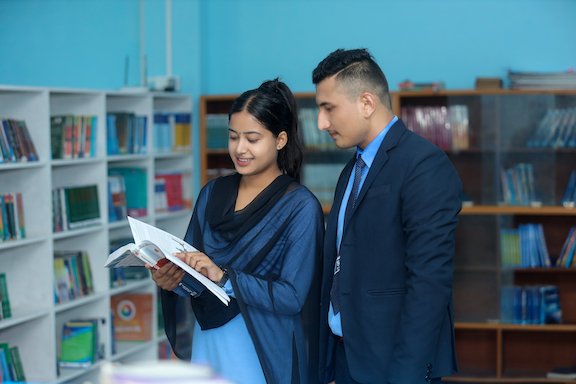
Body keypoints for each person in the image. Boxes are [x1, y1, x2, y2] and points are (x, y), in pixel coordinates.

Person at [149, 78, 324, 384]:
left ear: (280, 140)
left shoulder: (300, 206)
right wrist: (171, 279)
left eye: (252, 139)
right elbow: (192, 268)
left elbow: (293, 296)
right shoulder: (212, 193)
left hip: (261, 344)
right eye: (233, 137)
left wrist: (226, 278)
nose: (240, 149)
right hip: (208, 337)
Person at [312, 48, 462, 384]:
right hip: (345, 360)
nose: (321, 123)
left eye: (328, 108)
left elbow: (429, 285)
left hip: (395, 368)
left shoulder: (424, 166)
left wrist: (406, 376)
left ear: (366, 103)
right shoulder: (351, 170)